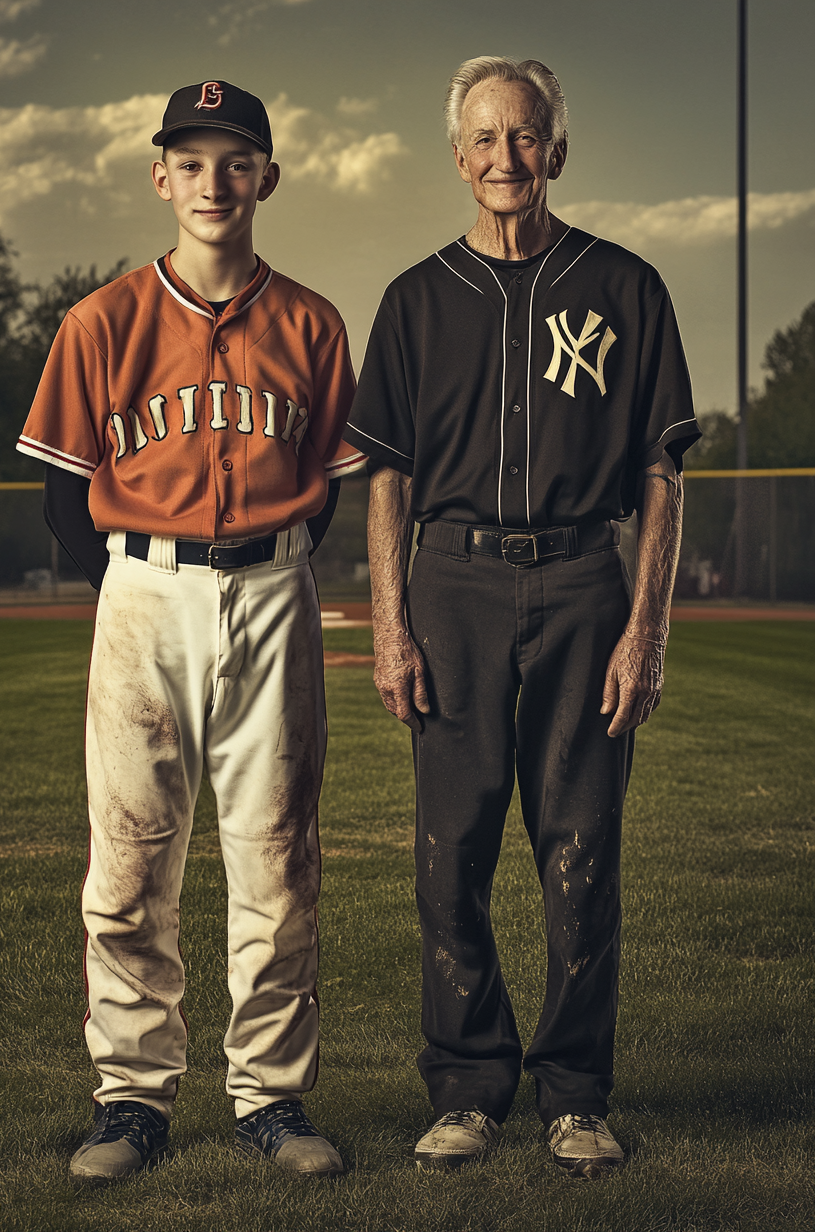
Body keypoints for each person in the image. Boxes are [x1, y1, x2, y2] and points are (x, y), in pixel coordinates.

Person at [343, 56, 700, 1177]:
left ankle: (577, 1093)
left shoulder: (627, 287)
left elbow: (660, 474)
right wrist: (388, 623)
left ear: (557, 149)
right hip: (448, 583)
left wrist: (646, 631)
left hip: (585, 583)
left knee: (580, 853)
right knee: (449, 852)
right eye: (486, 140)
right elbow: (385, 480)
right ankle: (465, 1085)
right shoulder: (413, 297)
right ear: (459, 158)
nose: (507, 157)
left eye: (527, 135)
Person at [17, 80, 366, 1183]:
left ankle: (269, 1093)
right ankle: (130, 1095)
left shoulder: (312, 321)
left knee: (278, 851)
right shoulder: (101, 320)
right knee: (128, 854)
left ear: (267, 175)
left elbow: (327, 491)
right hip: (142, 592)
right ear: (159, 175)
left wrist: (263, 565)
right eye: (192, 159)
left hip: (272, 590)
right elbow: (64, 499)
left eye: (236, 159)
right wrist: (138, 585)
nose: (214, 181)